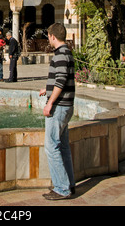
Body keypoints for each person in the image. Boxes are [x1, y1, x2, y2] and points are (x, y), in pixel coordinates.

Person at [39, 23, 75, 200]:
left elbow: (60, 81)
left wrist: (49, 103)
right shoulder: (67, 52)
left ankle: (62, 188)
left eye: (48, 36)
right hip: (66, 105)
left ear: (53, 36)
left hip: (59, 106)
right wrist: (47, 89)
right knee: (63, 146)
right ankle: (69, 184)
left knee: (51, 146)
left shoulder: (60, 55)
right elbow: (63, 79)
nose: (48, 39)